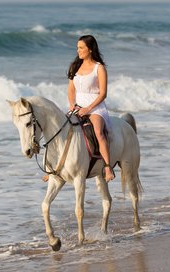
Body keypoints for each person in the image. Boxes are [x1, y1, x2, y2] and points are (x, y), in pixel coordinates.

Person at [67, 35, 115, 182]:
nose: (78, 50)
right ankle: (54, 169)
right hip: (77, 107)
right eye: (77, 47)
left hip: (95, 107)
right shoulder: (75, 66)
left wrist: (87, 109)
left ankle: (107, 167)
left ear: (90, 49)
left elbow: (103, 94)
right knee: (61, 129)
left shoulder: (99, 68)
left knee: (98, 132)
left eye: (81, 48)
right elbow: (71, 90)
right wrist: (72, 105)